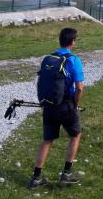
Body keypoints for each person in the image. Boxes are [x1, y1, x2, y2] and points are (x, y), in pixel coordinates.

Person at [28, 28, 85, 189]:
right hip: (66, 105)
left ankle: (36, 178)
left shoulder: (49, 58)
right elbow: (79, 88)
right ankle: (66, 174)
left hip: (49, 104)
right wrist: (75, 104)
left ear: (60, 40)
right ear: (72, 42)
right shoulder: (74, 60)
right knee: (75, 135)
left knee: (47, 140)